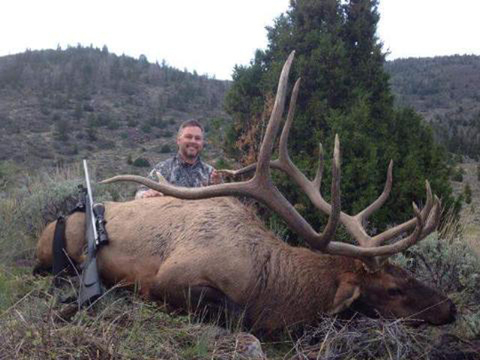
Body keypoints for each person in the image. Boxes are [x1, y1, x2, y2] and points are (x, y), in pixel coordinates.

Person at [135, 119, 221, 199]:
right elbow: (139, 193)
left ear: (202, 143)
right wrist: (146, 195)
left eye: (197, 138)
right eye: (188, 137)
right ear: (178, 140)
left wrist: (218, 187)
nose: (193, 141)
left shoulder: (211, 174)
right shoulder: (162, 169)